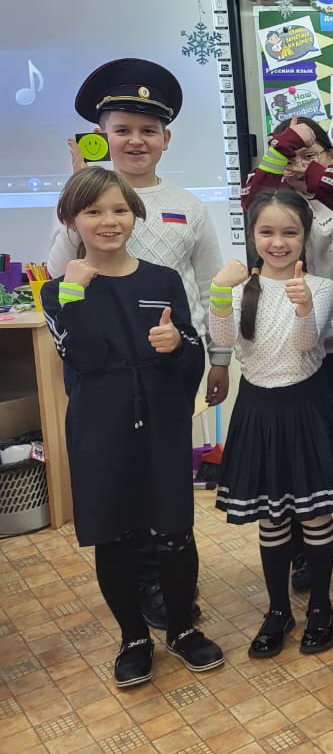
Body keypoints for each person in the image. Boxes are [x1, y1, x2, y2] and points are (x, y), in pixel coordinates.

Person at [51, 58, 227, 631]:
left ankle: (173, 586)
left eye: (148, 130)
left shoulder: (188, 205)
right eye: (122, 129)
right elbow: (60, 273)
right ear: (101, 135)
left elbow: (209, 284)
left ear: (165, 139)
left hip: (170, 364)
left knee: (166, 478)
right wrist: (74, 196)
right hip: (105, 368)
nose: (135, 140)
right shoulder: (82, 202)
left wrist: (218, 358)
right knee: (122, 482)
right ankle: (146, 586)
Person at [42, 168, 223, 688]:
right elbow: (85, 357)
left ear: (135, 215)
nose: (109, 221)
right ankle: (134, 638)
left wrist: (179, 346)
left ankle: (182, 629)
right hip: (100, 428)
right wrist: (74, 294)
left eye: (120, 210)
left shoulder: (162, 280)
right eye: (94, 211)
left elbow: (190, 353)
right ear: (72, 220)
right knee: (115, 535)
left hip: (162, 424)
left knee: (174, 531)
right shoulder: (58, 292)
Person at [210, 188, 333, 658]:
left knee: (314, 514)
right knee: (271, 517)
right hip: (258, 409)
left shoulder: (321, 286)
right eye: (267, 232)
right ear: (253, 235)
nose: (278, 242)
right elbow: (226, 340)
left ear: (304, 236)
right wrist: (218, 293)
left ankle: (320, 606)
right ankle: (277, 610)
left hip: (306, 407)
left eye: (290, 233)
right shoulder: (240, 286)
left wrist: (303, 307)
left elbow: (304, 346)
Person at [240, 115, 333, 594]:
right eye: (289, 154)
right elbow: (256, 194)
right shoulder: (273, 205)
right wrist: (286, 149)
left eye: (309, 154)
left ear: (329, 158)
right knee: (289, 469)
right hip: (283, 350)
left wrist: (320, 172)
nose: (297, 164)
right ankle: (300, 559)